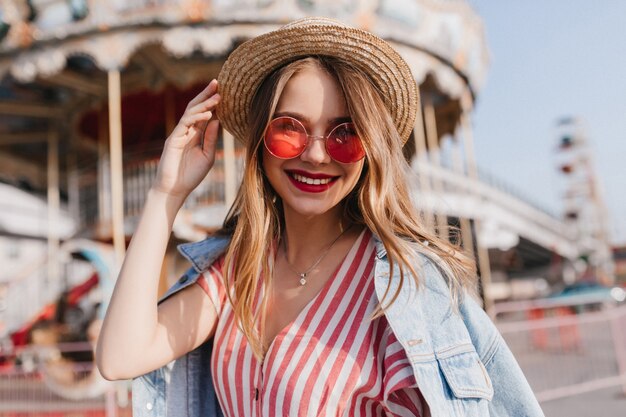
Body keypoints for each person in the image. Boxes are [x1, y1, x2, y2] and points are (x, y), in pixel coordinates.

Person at [96, 17, 545, 417]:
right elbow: (120, 357)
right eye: (289, 127)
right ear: (259, 140)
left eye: (345, 134)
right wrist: (166, 194)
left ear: (370, 151)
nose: (315, 154)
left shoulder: (400, 289)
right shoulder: (238, 273)